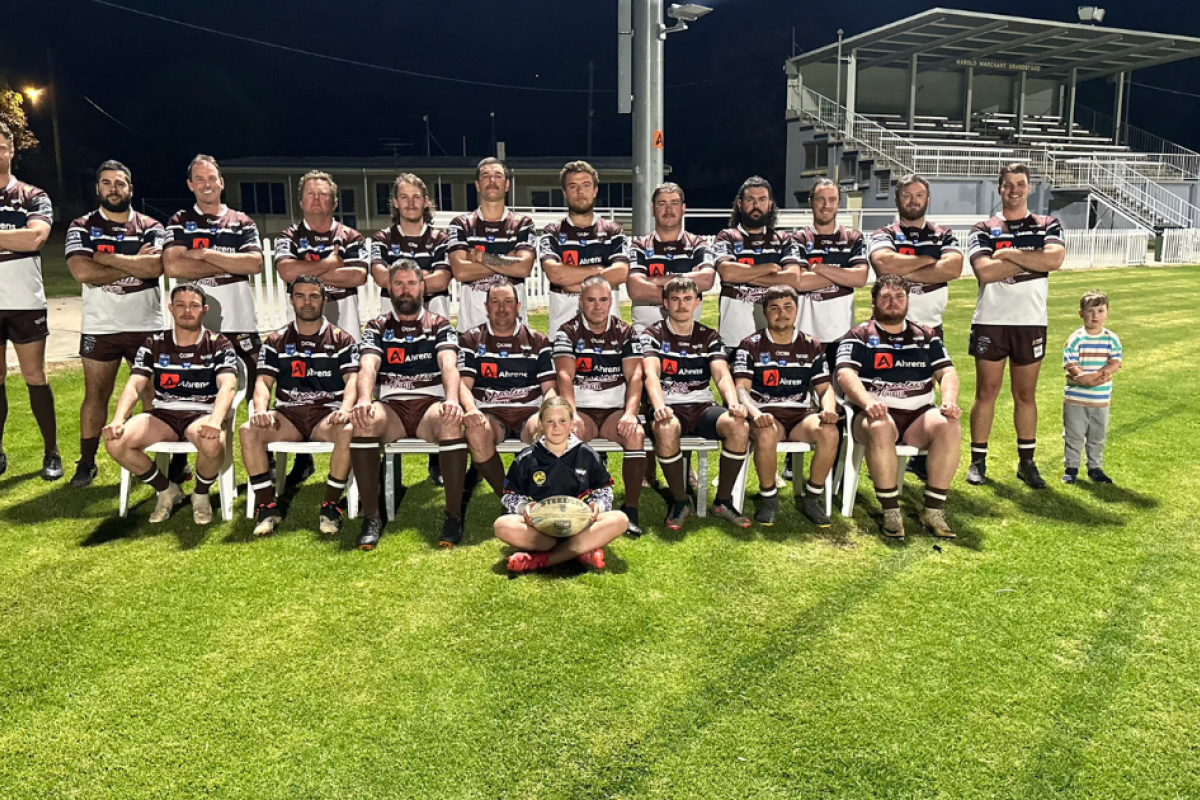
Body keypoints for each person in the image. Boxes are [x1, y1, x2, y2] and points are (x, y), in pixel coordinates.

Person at [349, 261, 466, 551]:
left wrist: (452, 398)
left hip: (429, 405)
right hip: (392, 407)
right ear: (389, 288)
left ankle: (453, 515)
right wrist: (364, 398)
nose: (405, 290)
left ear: (422, 287)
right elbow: (368, 366)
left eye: (411, 283)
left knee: (450, 419)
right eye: (398, 284)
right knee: (364, 419)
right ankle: (371, 518)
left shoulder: (439, 324)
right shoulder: (377, 326)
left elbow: (448, 363)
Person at [163, 155, 264, 487]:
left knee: (255, 394)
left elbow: (253, 264)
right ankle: (180, 464)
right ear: (191, 185)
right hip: (196, 329)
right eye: (199, 179)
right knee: (184, 391)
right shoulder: (179, 220)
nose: (207, 184)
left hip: (240, 323)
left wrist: (204, 254)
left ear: (221, 182)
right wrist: (228, 263)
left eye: (212, 178)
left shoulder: (241, 221)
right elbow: (174, 267)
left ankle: (262, 463)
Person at [835, 275, 961, 539]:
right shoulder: (858, 335)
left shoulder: (926, 335)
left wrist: (949, 401)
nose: (893, 302)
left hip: (917, 415)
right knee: (880, 426)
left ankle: (933, 510)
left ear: (907, 301)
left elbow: (947, 372)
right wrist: (868, 403)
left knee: (948, 424)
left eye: (899, 297)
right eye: (886, 297)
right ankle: (891, 511)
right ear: (874, 302)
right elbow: (845, 374)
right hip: (871, 415)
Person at [64, 160, 165, 487]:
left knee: (153, 391)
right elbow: (82, 272)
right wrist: (136, 263)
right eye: (107, 183)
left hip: (147, 325)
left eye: (120, 183)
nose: (113, 189)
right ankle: (87, 462)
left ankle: (157, 460)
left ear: (130, 189)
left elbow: (157, 268)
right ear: (98, 188)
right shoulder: (81, 226)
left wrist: (105, 259)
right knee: (96, 394)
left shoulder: (151, 226)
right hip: (101, 326)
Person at [102, 284, 238, 524]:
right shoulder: (153, 343)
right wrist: (117, 420)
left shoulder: (219, 343)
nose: (187, 311)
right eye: (181, 305)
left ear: (204, 310)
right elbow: (135, 385)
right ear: (171, 309)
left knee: (213, 440)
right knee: (115, 442)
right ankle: (167, 490)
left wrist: (216, 421)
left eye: (194, 306)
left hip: (201, 413)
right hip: (163, 413)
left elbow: (228, 385)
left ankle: (201, 494)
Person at [966, 163, 1066, 489]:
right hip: (991, 321)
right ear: (999, 189)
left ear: (1029, 187)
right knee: (986, 393)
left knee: (1025, 395)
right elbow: (984, 272)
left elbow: (1053, 261)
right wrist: (1029, 258)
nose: (1014, 189)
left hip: (1030, 322)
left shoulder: (1047, 223)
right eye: (1008, 184)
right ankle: (977, 461)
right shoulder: (982, 227)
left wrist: (1007, 253)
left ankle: (1027, 463)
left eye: (1020, 184)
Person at [239, 276, 360, 537]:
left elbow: (353, 381)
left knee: (348, 430)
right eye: (301, 296)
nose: (307, 302)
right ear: (291, 299)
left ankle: (329, 506)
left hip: (325, 414)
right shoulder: (276, 339)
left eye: (314, 296)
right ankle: (266, 506)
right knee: (248, 429)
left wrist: (346, 408)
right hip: (289, 414)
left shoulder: (342, 339)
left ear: (324, 300)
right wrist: (260, 409)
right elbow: (263, 382)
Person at [642, 277, 751, 530]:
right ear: (665, 303)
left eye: (687, 299)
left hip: (701, 407)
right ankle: (680, 501)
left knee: (738, 426)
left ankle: (723, 501)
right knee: (666, 428)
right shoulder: (653, 334)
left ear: (697, 303)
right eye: (676, 300)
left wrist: (733, 403)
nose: (681, 305)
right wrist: (659, 406)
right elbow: (651, 375)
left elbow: (722, 374)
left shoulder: (708, 335)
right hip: (670, 406)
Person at [370, 173, 454, 487]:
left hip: (435, 323)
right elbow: (380, 278)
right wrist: (422, 281)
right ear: (394, 202)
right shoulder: (382, 238)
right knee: (389, 387)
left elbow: (444, 279)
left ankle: (440, 461)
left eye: (416, 197)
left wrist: (402, 285)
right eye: (403, 197)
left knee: (437, 385)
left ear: (426, 201)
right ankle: (386, 469)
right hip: (392, 326)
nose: (410, 203)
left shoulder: (441, 238)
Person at [733, 286, 839, 527]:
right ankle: (769, 498)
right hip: (766, 414)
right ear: (765, 312)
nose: (782, 314)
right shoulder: (750, 345)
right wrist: (756, 412)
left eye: (788, 307)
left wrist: (828, 409)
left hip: (801, 415)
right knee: (766, 433)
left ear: (797, 310)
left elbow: (825, 389)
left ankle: (812, 499)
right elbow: (741, 389)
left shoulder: (812, 344)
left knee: (830, 431)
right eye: (775, 308)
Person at [553, 276, 647, 535]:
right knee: (568, 436)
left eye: (603, 300)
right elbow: (564, 377)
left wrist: (630, 414)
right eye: (591, 300)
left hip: (613, 411)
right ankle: (574, 508)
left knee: (635, 433)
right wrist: (571, 414)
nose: (597, 306)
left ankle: (630, 510)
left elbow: (635, 377)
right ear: (581, 301)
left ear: (611, 302)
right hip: (581, 408)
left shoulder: (626, 332)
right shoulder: (567, 331)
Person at [496, 397, 628, 573]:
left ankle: (543, 560)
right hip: (542, 528)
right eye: (549, 421)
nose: (556, 427)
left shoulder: (586, 454)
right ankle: (577, 550)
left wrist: (598, 505)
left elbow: (604, 489)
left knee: (620, 519)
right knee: (502, 525)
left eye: (562, 421)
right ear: (541, 424)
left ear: (572, 423)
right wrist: (524, 508)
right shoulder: (527, 458)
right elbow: (509, 494)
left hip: (579, 525)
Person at [456, 280, 555, 500]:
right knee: (475, 431)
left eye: (508, 302)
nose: (502, 308)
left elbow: (550, 389)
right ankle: (508, 497)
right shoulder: (471, 339)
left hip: (529, 411)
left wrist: (549, 413)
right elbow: (463, 384)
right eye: (495, 302)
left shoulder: (538, 340)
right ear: (486, 306)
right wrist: (471, 409)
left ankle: (542, 496)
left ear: (518, 306)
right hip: (491, 413)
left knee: (548, 429)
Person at [0, 121, 59, 480]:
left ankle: (51, 452)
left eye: (0, 145)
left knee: (35, 375)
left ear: (10, 149)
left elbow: (36, 238)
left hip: (24, 300)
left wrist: (20, 237)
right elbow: (21, 238)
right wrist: (12, 237)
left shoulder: (32, 195)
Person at [538, 160, 630, 337]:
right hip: (562, 333)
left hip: (607, 335)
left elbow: (621, 273)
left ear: (595, 191)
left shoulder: (613, 231)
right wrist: (598, 270)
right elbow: (555, 274)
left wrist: (571, 284)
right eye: (573, 186)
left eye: (586, 185)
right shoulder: (553, 232)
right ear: (565, 192)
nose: (580, 192)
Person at [867, 174, 963, 340]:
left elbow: (953, 269)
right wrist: (929, 260)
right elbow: (884, 263)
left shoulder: (943, 234)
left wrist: (898, 273)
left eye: (919, 195)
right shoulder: (884, 233)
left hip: (931, 327)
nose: (913, 201)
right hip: (888, 328)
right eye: (906, 196)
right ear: (896, 200)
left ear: (928, 198)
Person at [274, 171, 369, 338]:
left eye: (323, 194)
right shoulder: (289, 236)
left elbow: (358, 276)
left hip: (346, 325)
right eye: (310, 194)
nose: (316, 198)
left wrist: (305, 272)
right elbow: (286, 272)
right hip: (302, 326)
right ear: (301, 203)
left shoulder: (351, 236)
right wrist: (330, 263)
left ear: (335, 203)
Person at [711, 176, 801, 350]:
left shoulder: (783, 239)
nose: (756, 205)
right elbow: (728, 273)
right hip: (734, 338)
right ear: (739, 204)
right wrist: (768, 269)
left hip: (775, 338)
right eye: (750, 200)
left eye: (762, 200)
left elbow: (793, 279)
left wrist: (742, 276)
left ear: (770, 204)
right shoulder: (727, 237)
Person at [447, 158, 536, 332]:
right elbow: (460, 271)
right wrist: (507, 263)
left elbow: (524, 268)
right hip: (471, 330)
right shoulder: (461, 224)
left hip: (514, 330)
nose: (492, 181)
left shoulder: (522, 224)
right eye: (486, 176)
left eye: (498, 176)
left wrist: (482, 258)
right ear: (478, 185)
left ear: (507, 184)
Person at [627, 182, 715, 333]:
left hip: (688, 337)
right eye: (662, 203)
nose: (668, 209)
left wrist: (655, 280)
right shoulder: (640, 246)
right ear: (653, 209)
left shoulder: (697, 245)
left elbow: (707, 280)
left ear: (683, 209)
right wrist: (685, 289)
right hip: (644, 334)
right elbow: (636, 289)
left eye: (674, 203)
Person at [1061, 290, 1122, 486]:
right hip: (1076, 398)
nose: (1095, 316)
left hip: (1100, 398)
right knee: (1074, 434)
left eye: (1100, 310)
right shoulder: (1076, 338)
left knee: (1097, 435)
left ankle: (1095, 467)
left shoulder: (1111, 339)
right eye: (1090, 311)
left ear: (1107, 313)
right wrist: (1083, 378)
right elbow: (1071, 365)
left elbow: (1114, 363)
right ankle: (1071, 468)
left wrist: (1095, 377)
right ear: (1081, 313)